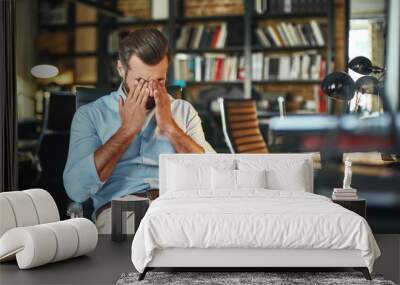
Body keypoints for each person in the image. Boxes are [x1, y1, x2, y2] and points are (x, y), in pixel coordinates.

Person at [63, 28, 215, 233]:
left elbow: (215, 174)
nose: (152, 90)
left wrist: (170, 127)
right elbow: (76, 190)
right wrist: (126, 132)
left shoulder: (183, 111)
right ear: (121, 69)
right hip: (120, 212)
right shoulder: (91, 115)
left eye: (159, 81)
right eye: (141, 82)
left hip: (176, 209)